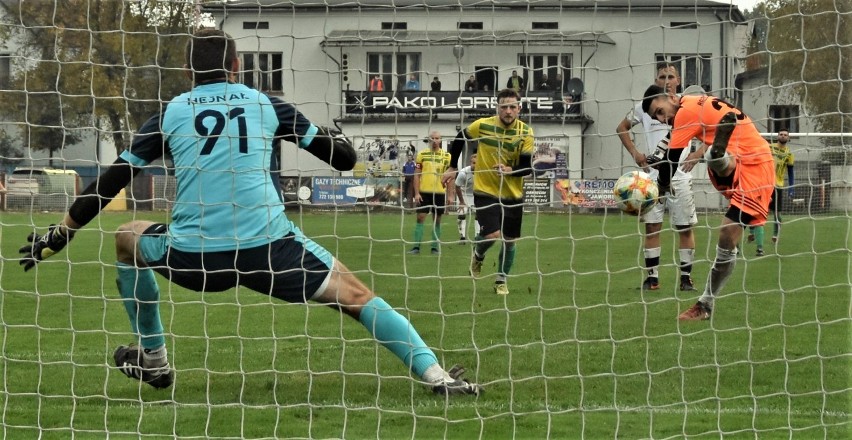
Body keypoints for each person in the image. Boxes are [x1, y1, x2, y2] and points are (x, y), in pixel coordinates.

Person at [18, 29, 480, 396]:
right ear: (236, 66)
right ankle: (437, 375)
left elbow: (111, 181)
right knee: (357, 297)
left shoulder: (171, 113)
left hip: (195, 257)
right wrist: (338, 138)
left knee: (127, 237)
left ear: (187, 70)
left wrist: (61, 233)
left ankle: (154, 359)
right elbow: (342, 160)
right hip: (269, 251)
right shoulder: (267, 105)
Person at [642, 84, 774, 321]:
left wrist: (659, 189)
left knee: (726, 235)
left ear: (671, 97)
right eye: (656, 117)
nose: (662, 119)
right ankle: (717, 153)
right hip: (740, 156)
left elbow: (670, 161)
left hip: (755, 167)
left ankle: (705, 305)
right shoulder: (693, 103)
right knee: (716, 156)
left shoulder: (683, 113)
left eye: (660, 111)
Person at [442, 88, 534, 295]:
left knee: (510, 242)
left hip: (513, 194)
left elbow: (527, 167)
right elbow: (459, 138)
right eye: (504, 107)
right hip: (485, 190)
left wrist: (512, 170)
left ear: (519, 108)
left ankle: (501, 281)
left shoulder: (526, 132)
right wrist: (451, 166)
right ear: (497, 108)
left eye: (512, 107)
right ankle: (478, 253)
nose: (508, 111)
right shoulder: (482, 126)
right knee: (492, 235)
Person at [616, 62, 697, 292]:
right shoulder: (644, 107)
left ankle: (686, 278)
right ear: (656, 81)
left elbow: (707, 128)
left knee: (685, 227)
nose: (667, 80)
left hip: (680, 176)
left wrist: (697, 153)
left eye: (671, 76)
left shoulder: (685, 104)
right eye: (662, 76)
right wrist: (635, 153)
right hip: (651, 179)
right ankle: (652, 278)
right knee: (652, 227)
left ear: (679, 81)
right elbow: (621, 127)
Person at [747, 127, 795, 256]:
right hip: (764, 185)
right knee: (757, 211)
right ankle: (751, 231)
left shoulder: (789, 154)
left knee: (777, 214)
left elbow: (790, 172)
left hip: (778, 186)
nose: (783, 136)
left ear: (788, 138)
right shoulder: (769, 147)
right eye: (781, 134)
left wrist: (792, 188)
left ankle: (775, 234)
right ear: (777, 136)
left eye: (785, 134)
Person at [409, 131, 452, 255]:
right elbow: (417, 175)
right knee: (420, 218)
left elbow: (450, 177)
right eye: (432, 138)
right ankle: (416, 247)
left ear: (440, 140)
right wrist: (416, 193)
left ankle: (435, 247)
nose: (434, 140)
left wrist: (450, 195)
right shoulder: (422, 154)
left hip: (439, 192)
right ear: (429, 140)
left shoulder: (447, 156)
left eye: (437, 138)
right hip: (424, 192)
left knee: (437, 220)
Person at [454, 153, 478, 243]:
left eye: (477, 163)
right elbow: (457, 186)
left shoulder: (482, 172)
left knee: (478, 214)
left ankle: (477, 236)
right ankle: (462, 237)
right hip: (463, 194)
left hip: (476, 195)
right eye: (473, 163)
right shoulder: (463, 173)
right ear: (470, 162)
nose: (475, 165)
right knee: (461, 214)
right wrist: (461, 201)